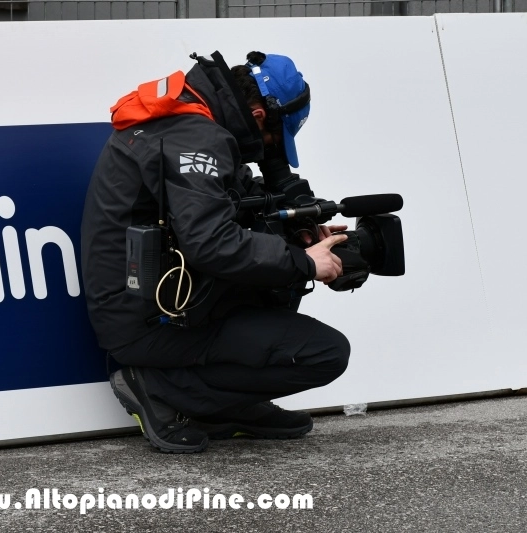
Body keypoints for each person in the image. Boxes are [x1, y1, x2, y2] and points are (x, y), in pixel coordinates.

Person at [80, 50, 351, 454]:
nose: (268, 150)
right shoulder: (197, 136)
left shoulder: (191, 118)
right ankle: (159, 387)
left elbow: (233, 205)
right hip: (151, 322)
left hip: (156, 302)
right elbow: (210, 242)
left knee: (279, 272)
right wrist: (305, 263)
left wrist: (300, 233)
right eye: (274, 139)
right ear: (258, 116)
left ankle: (229, 404)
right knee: (325, 354)